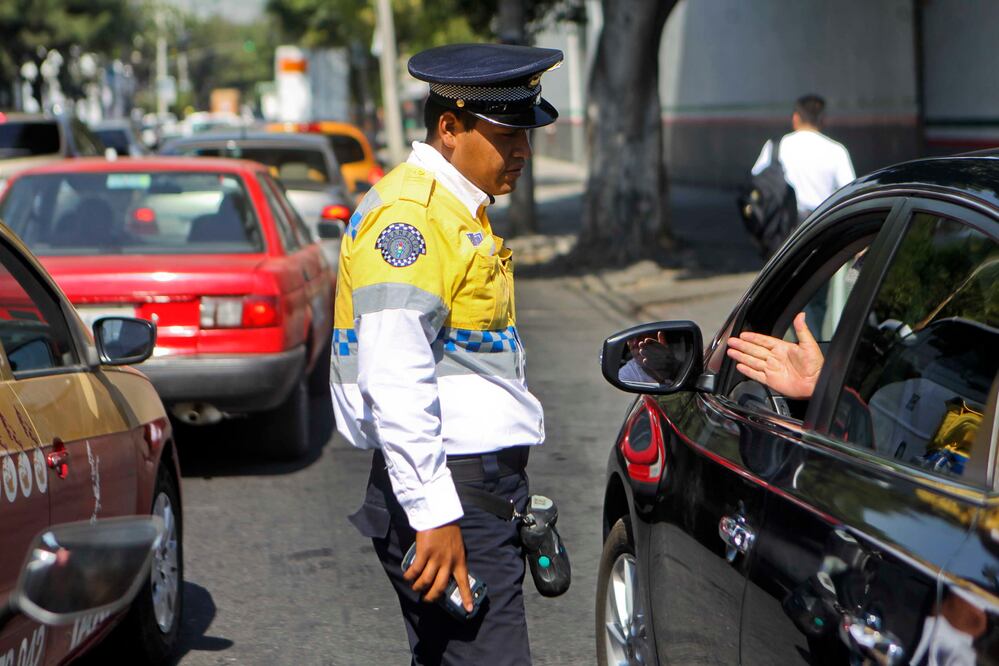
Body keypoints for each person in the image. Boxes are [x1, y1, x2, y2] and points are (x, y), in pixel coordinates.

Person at [330, 43, 563, 665]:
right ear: (450, 128)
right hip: (452, 491)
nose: (522, 151)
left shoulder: (458, 211)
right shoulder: (412, 220)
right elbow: (393, 376)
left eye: (526, 134)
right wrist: (433, 514)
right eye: (505, 134)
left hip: (471, 488)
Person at [752, 94, 856, 225]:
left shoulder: (775, 146)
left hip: (784, 227)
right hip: (821, 225)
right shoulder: (837, 151)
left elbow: (757, 180)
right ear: (823, 120)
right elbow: (851, 192)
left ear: (795, 118)